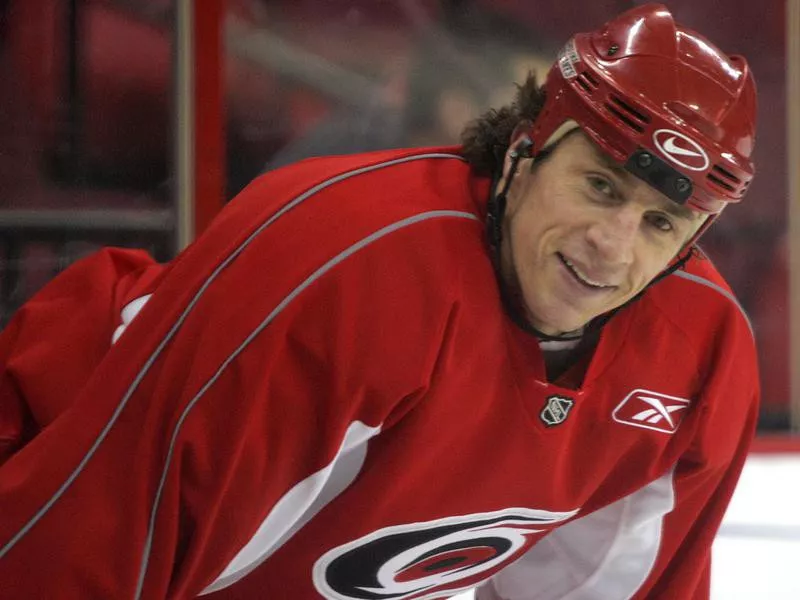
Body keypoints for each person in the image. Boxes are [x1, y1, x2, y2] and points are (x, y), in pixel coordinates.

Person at [0, 4, 759, 599]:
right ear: (524, 152)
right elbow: (90, 541)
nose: (614, 246)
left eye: (662, 223)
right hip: (52, 470)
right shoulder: (352, 264)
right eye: (599, 187)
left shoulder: (699, 354)